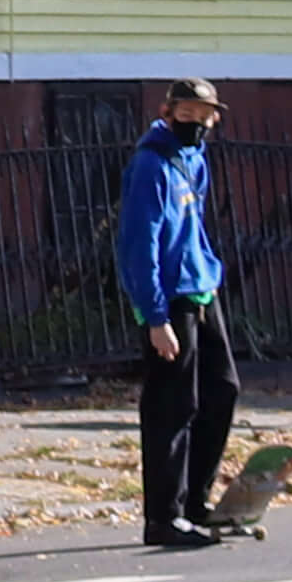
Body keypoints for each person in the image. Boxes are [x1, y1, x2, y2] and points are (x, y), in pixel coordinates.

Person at [115, 75, 242, 548]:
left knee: (222, 390)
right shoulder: (151, 165)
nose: (193, 122)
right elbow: (138, 243)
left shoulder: (195, 159)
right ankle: (163, 518)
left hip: (201, 289)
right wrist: (154, 317)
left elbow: (193, 226)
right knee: (172, 406)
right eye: (184, 114)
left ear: (213, 117)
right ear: (168, 113)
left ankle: (195, 502)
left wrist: (206, 271)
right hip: (169, 298)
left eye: (201, 115)